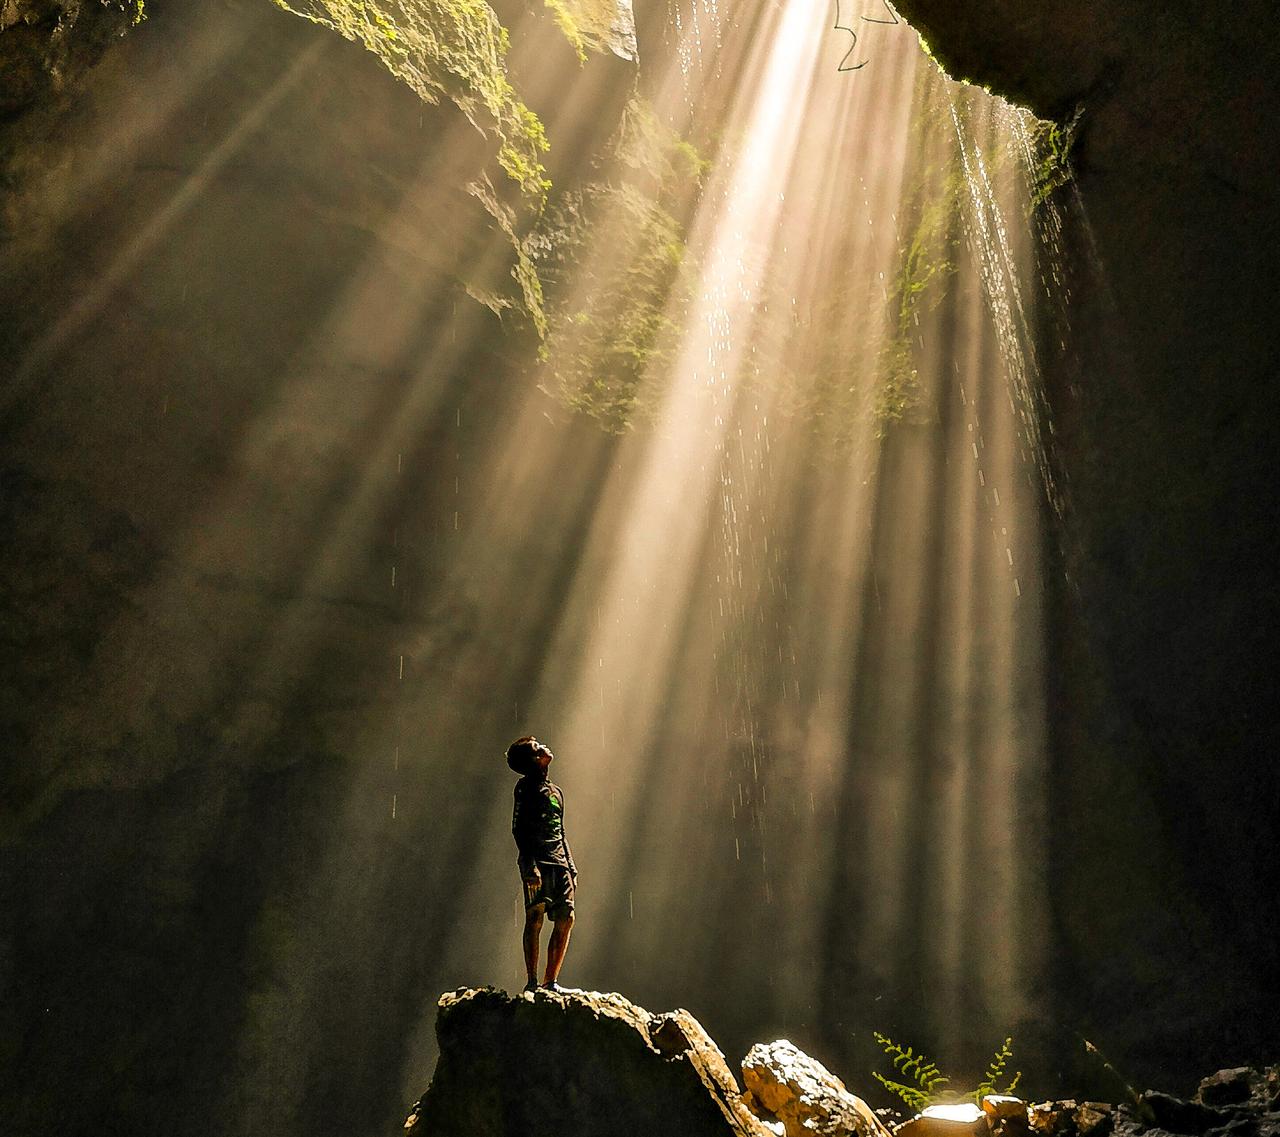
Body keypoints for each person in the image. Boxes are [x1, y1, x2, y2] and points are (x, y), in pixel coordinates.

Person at [507, 736, 577, 993]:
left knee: (566, 917)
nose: (545, 747)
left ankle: (551, 981)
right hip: (538, 861)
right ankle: (532, 982)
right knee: (535, 917)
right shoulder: (525, 789)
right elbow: (519, 829)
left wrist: (571, 866)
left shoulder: (556, 791)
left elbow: (561, 830)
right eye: (538, 747)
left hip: (559, 862)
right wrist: (529, 865)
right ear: (535, 759)